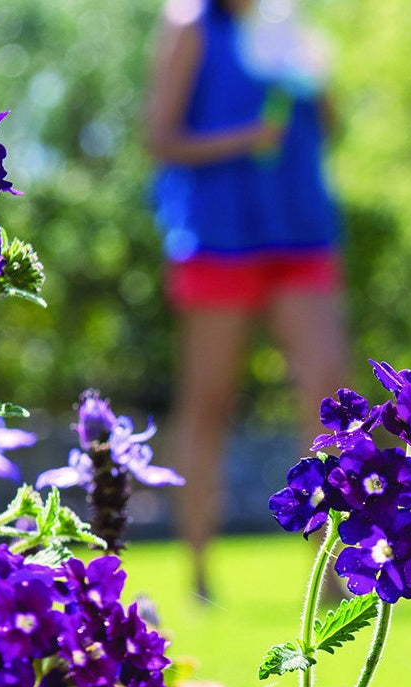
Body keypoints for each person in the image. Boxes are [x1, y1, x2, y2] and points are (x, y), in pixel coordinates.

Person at [146, 0, 349, 600]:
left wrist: (316, 75)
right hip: (219, 237)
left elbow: (331, 127)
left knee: (328, 389)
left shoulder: (287, 26)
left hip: (301, 229)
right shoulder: (190, 25)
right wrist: (244, 138)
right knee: (209, 401)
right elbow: (158, 138)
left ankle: (332, 567)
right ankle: (199, 572)